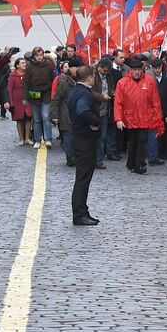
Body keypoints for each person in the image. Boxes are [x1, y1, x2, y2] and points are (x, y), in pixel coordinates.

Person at [113, 56, 164, 175]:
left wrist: (158, 118)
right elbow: (118, 103)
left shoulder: (149, 81)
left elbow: (155, 101)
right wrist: (119, 119)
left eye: (139, 70)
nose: (137, 72)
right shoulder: (122, 83)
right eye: (134, 70)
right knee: (133, 141)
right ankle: (131, 162)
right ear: (130, 70)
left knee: (142, 140)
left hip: (145, 117)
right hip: (129, 117)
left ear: (142, 69)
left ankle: (139, 164)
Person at [68, 65, 101, 226]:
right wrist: (95, 122)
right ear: (89, 78)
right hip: (84, 140)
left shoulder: (75, 90)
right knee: (83, 178)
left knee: (82, 177)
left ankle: (82, 210)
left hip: (78, 137)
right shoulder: (83, 94)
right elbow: (82, 111)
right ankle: (79, 213)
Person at [24, 47, 57, 149]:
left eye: (41, 55)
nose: (39, 57)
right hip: (34, 95)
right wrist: (25, 97)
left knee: (45, 116)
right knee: (37, 119)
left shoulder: (48, 65)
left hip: (46, 94)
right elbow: (26, 82)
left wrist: (52, 93)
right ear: (34, 56)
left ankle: (48, 139)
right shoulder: (29, 67)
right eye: (37, 55)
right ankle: (37, 139)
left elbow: (53, 80)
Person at [51, 61, 76, 166]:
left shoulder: (77, 83)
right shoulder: (63, 82)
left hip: (74, 114)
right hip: (65, 113)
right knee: (68, 137)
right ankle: (70, 158)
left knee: (72, 137)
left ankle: (73, 157)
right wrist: (55, 116)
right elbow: (56, 99)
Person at [7, 57, 32, 146]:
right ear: (17, 65)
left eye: (25, 62)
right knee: (19, 120)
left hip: (28, 99)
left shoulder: (28, 74)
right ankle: (21, 138)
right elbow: (9, 90)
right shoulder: (12, 76)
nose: (24, 64)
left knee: (28, 118)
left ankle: (27, 138)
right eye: (22, 63)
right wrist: (11, 102)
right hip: (17, 100)